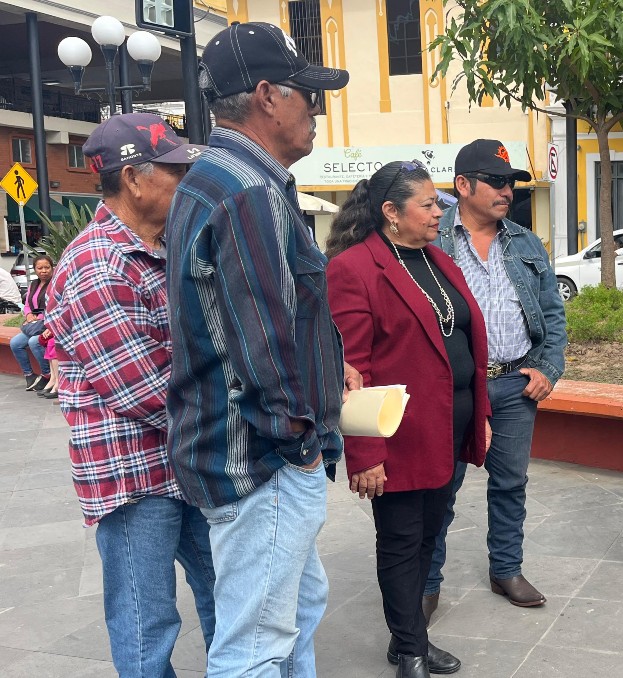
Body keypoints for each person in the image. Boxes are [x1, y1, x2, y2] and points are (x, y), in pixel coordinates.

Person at [164, 22, 359, 677]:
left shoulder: (224, 178)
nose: (317, 113)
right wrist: (298, 440)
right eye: (310, 97)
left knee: (298, 612)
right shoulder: (247, 190)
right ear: (269, 96)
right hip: (262, 458)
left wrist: (329, 371)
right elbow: (263, 339)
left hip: (248, 449)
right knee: (254, 647)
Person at [43, 112, 216, 678]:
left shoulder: (162, 248)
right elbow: (142, 389)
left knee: (228, 592)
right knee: (147, 622)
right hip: (134, 478)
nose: (185, 183)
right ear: (135, 178)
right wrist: (236, 409)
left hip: (185, 462)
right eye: (175, 171)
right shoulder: (98, 262)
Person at [326, 161, 491, 678]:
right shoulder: (354, 268)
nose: (439, 211)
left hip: (447, 428)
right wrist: (365, 455)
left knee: (429, 536)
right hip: (396, 436)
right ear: (391, 213)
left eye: (437, 203)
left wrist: (479, 415)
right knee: (400, 541)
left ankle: (409, 640)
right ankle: (410, 650)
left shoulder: (440, 261)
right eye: (428, 204)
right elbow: (354, 368)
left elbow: (465, 340)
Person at [424, 140, 567, 615]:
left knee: (510, 483)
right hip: (456, 388)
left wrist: (548, 367)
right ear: (463, 185)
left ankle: (505, 568)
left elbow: (553, 314)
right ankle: (426, 584)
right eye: (496, 181)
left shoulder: (526, 243)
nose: (507, 191)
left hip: (513, 386)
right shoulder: (431, 240)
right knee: (441, 487)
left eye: (511, 182)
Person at [9, 255, 53, 390]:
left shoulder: (54, 284)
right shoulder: (33, 284)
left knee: (34, 342)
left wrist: (39, 317)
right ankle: (29, 374)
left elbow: (54, 306)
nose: (43, 271)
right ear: (35, 269)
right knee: (15, 343)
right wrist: (28, 315)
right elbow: (27, 304)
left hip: (48, 324)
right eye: (40, 268)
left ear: (52, 268)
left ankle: (48, 375)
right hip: (34, 325)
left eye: (47, 267)